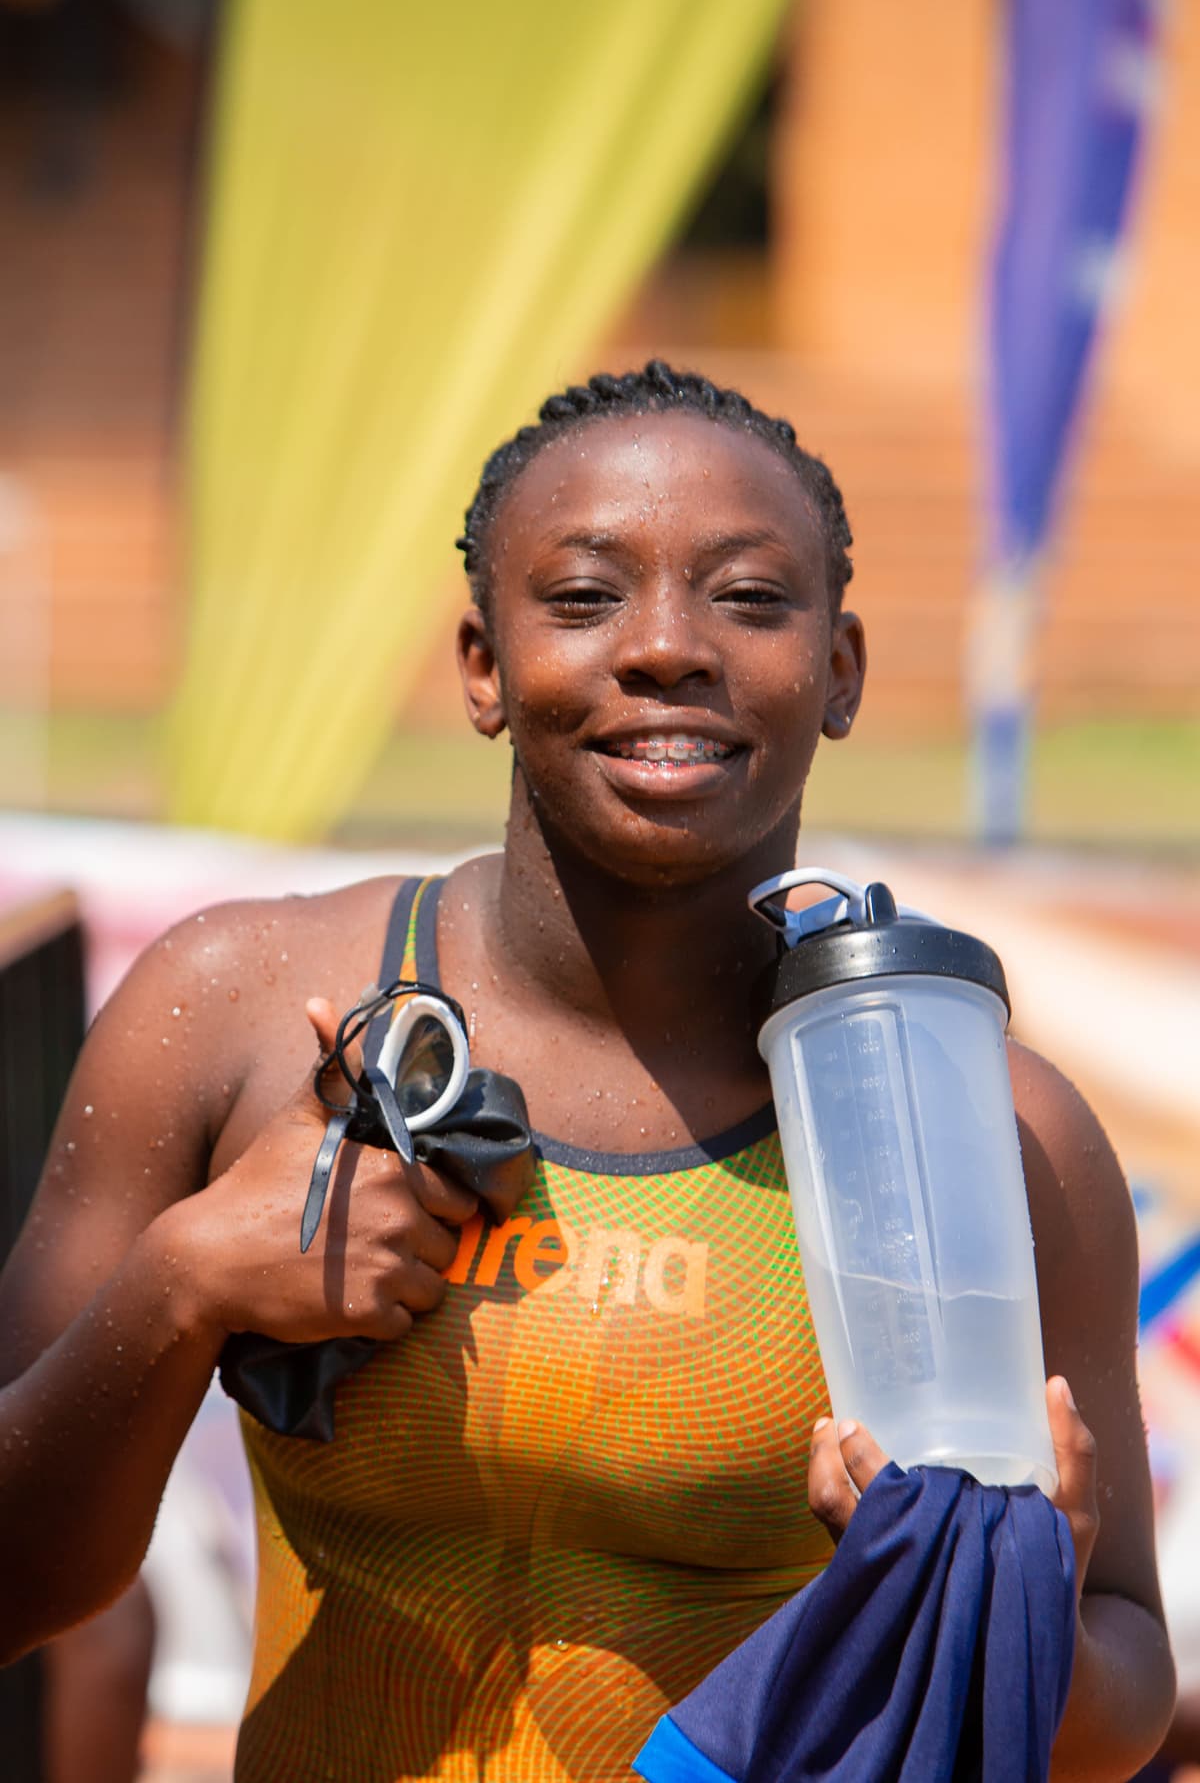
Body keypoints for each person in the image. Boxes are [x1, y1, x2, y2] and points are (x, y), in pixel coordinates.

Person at [0, 361, 1176, 1780]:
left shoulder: (981, 1129)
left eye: (747, 597)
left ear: (843, 670)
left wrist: (1003, 1596)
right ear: (484, 668)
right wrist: (186, 1282)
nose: (668, 648)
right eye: (583, 597)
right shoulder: (238, 1005)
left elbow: (1118, 1718)